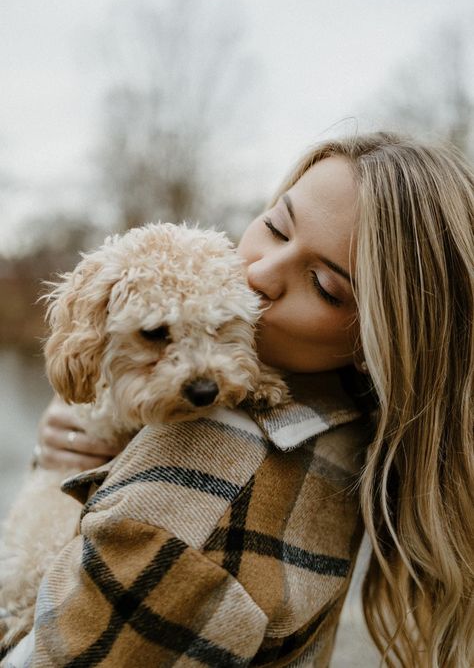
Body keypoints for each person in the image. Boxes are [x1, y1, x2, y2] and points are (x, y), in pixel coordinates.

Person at [4, 132, 473, 667]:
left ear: (380, 340)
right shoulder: (352, 429)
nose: (257, 275)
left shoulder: (197, 491)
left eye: (322, 284)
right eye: (275, 227)